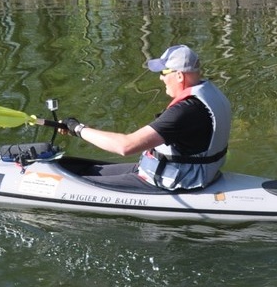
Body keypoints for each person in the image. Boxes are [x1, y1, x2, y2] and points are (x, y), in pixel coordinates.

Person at [56, 45, 232, 192]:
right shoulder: (209, 94)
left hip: (177, 181)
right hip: (198, 173)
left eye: (164, 72)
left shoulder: (184, 112)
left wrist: (77, 128)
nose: (161, 78)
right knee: (87, 171)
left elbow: (125, 146)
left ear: (179, 75)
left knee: (74, 182)